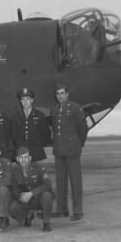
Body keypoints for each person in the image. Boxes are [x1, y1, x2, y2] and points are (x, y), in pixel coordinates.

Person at [50, 84, 88, 221]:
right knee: (61, 182)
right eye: (57, 94)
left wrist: (79, 143)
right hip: (59, 150)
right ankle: (62, 209)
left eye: (62, 93)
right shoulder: (54, 109)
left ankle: (78, 211)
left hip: (72, 149)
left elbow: (83, 128)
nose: (60, 96)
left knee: (75, 181)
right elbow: (55, 128)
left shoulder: (75, 108)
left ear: (67, 94)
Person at [10, 147, 54, 232]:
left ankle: (46, 222)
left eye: (26, 157)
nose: (24, 160)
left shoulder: (38, 168)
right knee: (13, 207)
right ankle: (27, 216)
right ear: (17, 159)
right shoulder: (15, 172)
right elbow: (14, 190)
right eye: (21, 157)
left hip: (39, 199)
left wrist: (32, 193)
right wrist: (21, 197)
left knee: (47, 195)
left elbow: (47, 185)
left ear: (29, 158)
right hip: (26, 200)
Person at [11, 88, 51, 162]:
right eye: (23, 99)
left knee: (37, 172)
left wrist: (38, 144)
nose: (25, 102)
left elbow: (46, 133)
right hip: (21, 152)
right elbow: (13, 134)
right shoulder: (15, 116)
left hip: (36, 151)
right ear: (20, 101)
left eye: (28, 99)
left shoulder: (39, 115)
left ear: (32, 100)